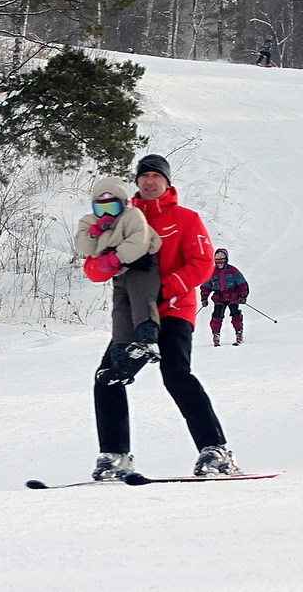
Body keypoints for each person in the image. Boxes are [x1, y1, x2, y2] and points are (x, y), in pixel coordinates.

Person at [89, 154, 242, 481]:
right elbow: (97, 265)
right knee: (107, 376)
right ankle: (114, 456)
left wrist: (166, 288)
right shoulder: (122, 218)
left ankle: (216, 452)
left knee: (176, 374)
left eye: (156, 176)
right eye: (144, 176)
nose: (149, 181)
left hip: (174, 310)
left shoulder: (186, 219)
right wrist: (100, 266)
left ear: (167, 183)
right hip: (135, 313)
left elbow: (202, 264)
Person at [75, 176, 164, 395]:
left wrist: (117, 257)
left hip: (141, 264)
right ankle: (122, 362)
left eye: (112, 206)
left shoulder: (132, 216)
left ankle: (147, 337)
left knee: (141, 297)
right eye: (101, 207)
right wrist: (95, 231)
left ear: (123, 204)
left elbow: (139, 240)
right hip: (120, 273)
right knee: (120, 310)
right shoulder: (89, 222)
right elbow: (83, 245)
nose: (107, 213)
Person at [202, 248, 250, 347]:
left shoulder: (233, 270)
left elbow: (242, 283)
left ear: (226, 259)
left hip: (233, 296)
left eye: (222, 260)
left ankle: (239, 332)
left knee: (235, 313)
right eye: (217, 260)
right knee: (217, 314)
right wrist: (204, 298)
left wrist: (243, 296)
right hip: (219, 298)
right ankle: (216, 334)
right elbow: (206, 286)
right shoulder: (212, 272)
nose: (220, 263)